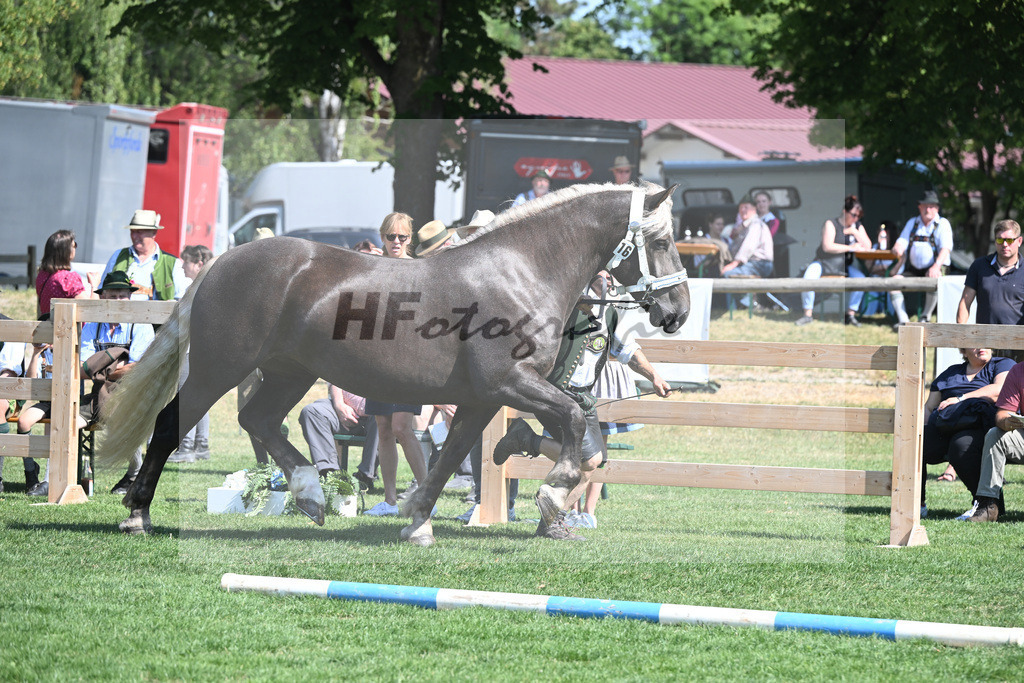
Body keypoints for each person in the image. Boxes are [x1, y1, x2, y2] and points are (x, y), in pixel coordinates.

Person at [492, 281, 671, 539]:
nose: (607, 278)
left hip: (584, 398)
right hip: (556, 394)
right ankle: (526, 439)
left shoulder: (611, 313)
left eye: (611, 273)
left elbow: (629, 351)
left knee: (592, 465)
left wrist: (654, 376)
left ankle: (549, 524)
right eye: (602, 270)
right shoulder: (565, 299)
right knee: (585, 460)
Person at [364, 213, 429, 516]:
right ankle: (389, 500)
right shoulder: (375, 267)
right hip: (380, 357)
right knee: (383, 427)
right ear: (383, 237)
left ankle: (428, 493)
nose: (396, 242)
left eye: (402, 237)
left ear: (409, 239)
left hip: (409, 359)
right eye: (391, 236)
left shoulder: (417, 270)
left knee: (403, 427)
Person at [920, 348, 1013, 516]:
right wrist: (915, 431)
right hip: (946, 425)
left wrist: (961, 398)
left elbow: (999, 390)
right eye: (975, 343)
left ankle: (987, 504)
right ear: (963, 349)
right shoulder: (950, 372)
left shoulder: (1001, 364)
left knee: (960, 447)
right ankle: (916, 504)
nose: (981, 347)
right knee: (915, 446)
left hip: (979, 426)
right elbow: (929, 407)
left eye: (985, 342)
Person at [960, 359, 1024, 522]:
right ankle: (988, 506)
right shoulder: (1018, 371)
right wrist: (1007, 422)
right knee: (995, 434)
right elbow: (1002, 414)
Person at [167, 245, 215, 463]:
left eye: (186, 262)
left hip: (189, 348)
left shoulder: (193, 286)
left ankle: (185, 445)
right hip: (205, 349)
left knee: (185, 393)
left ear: (198, 264)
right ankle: (201, 444)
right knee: (200, 394)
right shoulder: (214, 285)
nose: (183, 266)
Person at [794, 195, 872, 326]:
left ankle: (850, 314)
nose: (855, 218)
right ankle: (807, 314)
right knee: (808, 278)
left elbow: (868, 246)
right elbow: (827, 246)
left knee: (861, 279)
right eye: (853, 215)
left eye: (858, 216)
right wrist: (850, 248)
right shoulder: (831, 224)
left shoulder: (856, 226)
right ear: (844, 211)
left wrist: (855, 232)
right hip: (824, 263)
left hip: (844, 266)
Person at [890, 190, 954, 329]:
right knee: (893, 282)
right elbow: (902, 241)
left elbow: (946, 248)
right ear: (919, 206)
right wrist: (898, 247)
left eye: (931, 206)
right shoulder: (913, 222)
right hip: (913, 269)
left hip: (935, 267)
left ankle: (925, 317)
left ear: (937, 208)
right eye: (925, 205)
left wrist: (936, 266)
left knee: (934, 279)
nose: (928, 209)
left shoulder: (942, 224)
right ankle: (903, 320)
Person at [101, 209, 189, 301]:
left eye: (139, 232)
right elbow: (103, 292)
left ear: (154, 233)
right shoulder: (118, 256)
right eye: (132, 232)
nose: (134, 236)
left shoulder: (173, 263)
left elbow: (180, 299)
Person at [299, 384, 378, 480]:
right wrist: (339, 406)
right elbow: (335, 382)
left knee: (382, 415)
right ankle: (329, 473)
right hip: (343, 408)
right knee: (311, 411)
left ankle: (364, 476)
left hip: (375, 415)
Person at [957, 220, 1024, 326]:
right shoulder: (979, 266)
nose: (1005, 244)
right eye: (1000, 240)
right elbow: (965, 302)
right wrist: (960, 332)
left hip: (1017, 339)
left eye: (1010, 240)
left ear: (1019, 241)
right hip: (984, 338)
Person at [721, 195, 774, 309]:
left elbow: (748, 247)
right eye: (741, 208)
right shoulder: (745, 226)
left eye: (746, 207)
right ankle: (745, 304)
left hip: (760, 263)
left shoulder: (755, 224)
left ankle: (745, 306)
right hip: (752, 263)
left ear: (754, 209)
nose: (743, 210)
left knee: (728, 274)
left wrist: (733, 264)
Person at [35, 230, 97, 315]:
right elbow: (91, 310)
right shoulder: (68, 278)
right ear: (66, 251)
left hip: (47, 326)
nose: (75, 248)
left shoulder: (42, 275)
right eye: (74, 245)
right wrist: (95, 285)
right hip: (66, 327)